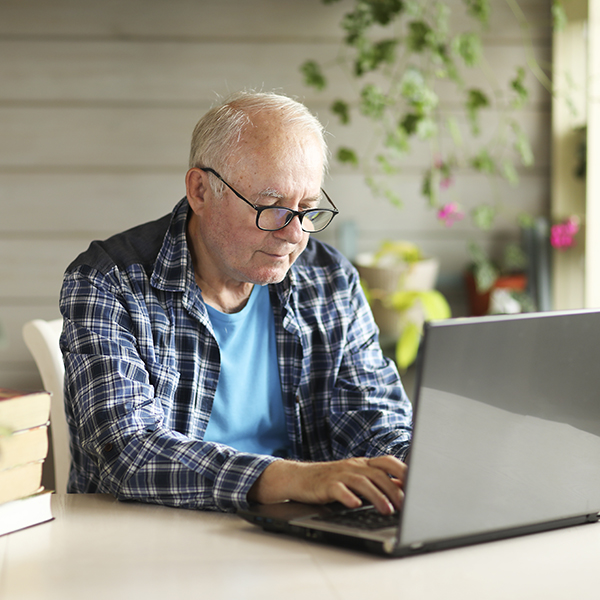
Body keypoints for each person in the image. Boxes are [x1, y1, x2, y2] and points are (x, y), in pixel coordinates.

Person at [59, 91, 412, 516]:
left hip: (298, 532)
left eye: (307, 209)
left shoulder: (330, 278)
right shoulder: (107, 282)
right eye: (272, 207)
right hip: (150, 538)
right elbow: (127, 452)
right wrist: (296, 478)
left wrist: (418, 467)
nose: (295, 234)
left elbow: (375, 417)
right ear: (201, 190)